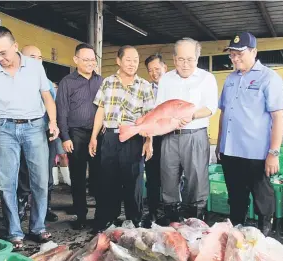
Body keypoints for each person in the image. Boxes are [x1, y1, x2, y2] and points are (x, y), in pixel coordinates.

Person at [0, 26, 59, 249]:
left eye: (3, 52)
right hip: (5, 130)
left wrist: (52, 122)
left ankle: (37, 228)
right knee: (7, 184)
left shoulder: (34, 67)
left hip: (34, 127)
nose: (0, 58)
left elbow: (47, 97)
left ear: (15, 46)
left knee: (40, 181)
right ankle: (14, 231)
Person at [216, 32, 283, 236]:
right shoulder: (230, 79)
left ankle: (264, 236)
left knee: (262, 197)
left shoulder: (269, 77)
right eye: (232, 54)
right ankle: (237, 236)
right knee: (236, 196)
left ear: (254, 52)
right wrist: (221, 144)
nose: (235, 58)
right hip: (230, 151)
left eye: (240, 54)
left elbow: (278, 116)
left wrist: (274, 152)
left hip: (256, 152)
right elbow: (224, 114)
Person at [89, 45, 154, 232]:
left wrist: (149, 141)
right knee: (108, 180)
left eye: (135, 60)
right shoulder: (108, 82)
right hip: (109, 137)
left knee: (134, 182)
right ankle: (107, 219)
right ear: (118, 61)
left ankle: (135, 221)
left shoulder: (144, 85)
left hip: (134, 139)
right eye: (128, 60)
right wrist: (94, 137)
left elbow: (149, 117)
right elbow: (100, 110)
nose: (132, 64)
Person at [156, 38, 218, 223]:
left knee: (197, 179)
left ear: (197, 59)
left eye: (190, 59)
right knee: (168, 177)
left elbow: (210, 108)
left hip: (195, 135)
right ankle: (172, 219)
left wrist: (192, 116)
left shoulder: (206, 78)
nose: (185, 64)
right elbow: (160, 108)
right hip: (170, 136)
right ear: (174, 59)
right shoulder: (166, 79)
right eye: (181, 59)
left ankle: (195, 219)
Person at [56, 43, 103, 230]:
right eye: (86, 59)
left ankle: (100, 216)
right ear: (76, 60)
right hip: (76, 135)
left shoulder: (101, 81)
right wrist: (65, 137)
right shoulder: (67, 82)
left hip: (98, 135)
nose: (90, 63)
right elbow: (62, 112)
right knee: (77, 177)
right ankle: (81, 215)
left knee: (99, 176)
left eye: (93, 59)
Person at [16, 45, 60, 223]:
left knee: (46, 174)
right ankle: (21, 209)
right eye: (32, 57)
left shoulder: (48, 83)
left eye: (40, 57)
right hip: (23, 136)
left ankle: (45, 208)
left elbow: (53, 109)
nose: (37, 61)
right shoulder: (15, 81)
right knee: (24, 174)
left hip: (45, 135)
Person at [143, 53, 167, 225]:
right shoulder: (146, 90)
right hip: (153, 138)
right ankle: (153, 212)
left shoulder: (174, 88)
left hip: (173, 138)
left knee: (172, 176)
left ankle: (171, 211)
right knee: (152, 176)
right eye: (150, 70)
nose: (154, 73)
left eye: (157, 69)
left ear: (165, 68)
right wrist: (148, 140)